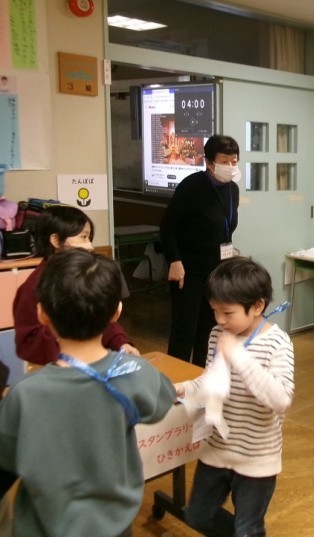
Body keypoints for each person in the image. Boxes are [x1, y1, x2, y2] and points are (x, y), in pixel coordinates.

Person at [0, 249, 175, 537]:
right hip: (113, 527)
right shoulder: (134, 372)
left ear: (42, 314)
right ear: (116, 311)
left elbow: (7, 456)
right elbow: (162, 401)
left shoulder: (23, 393)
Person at [174, 257, 294, 537]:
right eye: (215, 311)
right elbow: (209, 380)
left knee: (247, 528)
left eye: (227, 313)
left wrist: (239, 356)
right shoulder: (218, 333)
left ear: (257, 307)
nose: (219, 320)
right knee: (197, 516)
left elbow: (281, 399)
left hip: (256, 458)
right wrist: (184, 389)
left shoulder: (277, 342)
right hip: (216, 448)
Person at [13, 205, 138, 365]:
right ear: (56, 240)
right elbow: (28, 342)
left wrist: (120, 342)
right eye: (83, 237)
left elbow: (100, 316)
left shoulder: (85, 276)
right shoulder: (34, 286)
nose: (90, 246)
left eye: (89, 238)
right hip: (54, 371)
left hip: (90, 363)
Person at [161, 134, 241, 366]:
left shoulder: (232, 190)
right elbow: (168, 226)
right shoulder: (192, 186)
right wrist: (174, 260)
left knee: (209, 329)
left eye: (234, 161)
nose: (230, 166)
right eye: (224, 160)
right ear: (209, 162)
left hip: (215, 272)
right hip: (187, 271)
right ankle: (175, 383)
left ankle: (198, 379)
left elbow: (226, 228)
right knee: (185, 330)